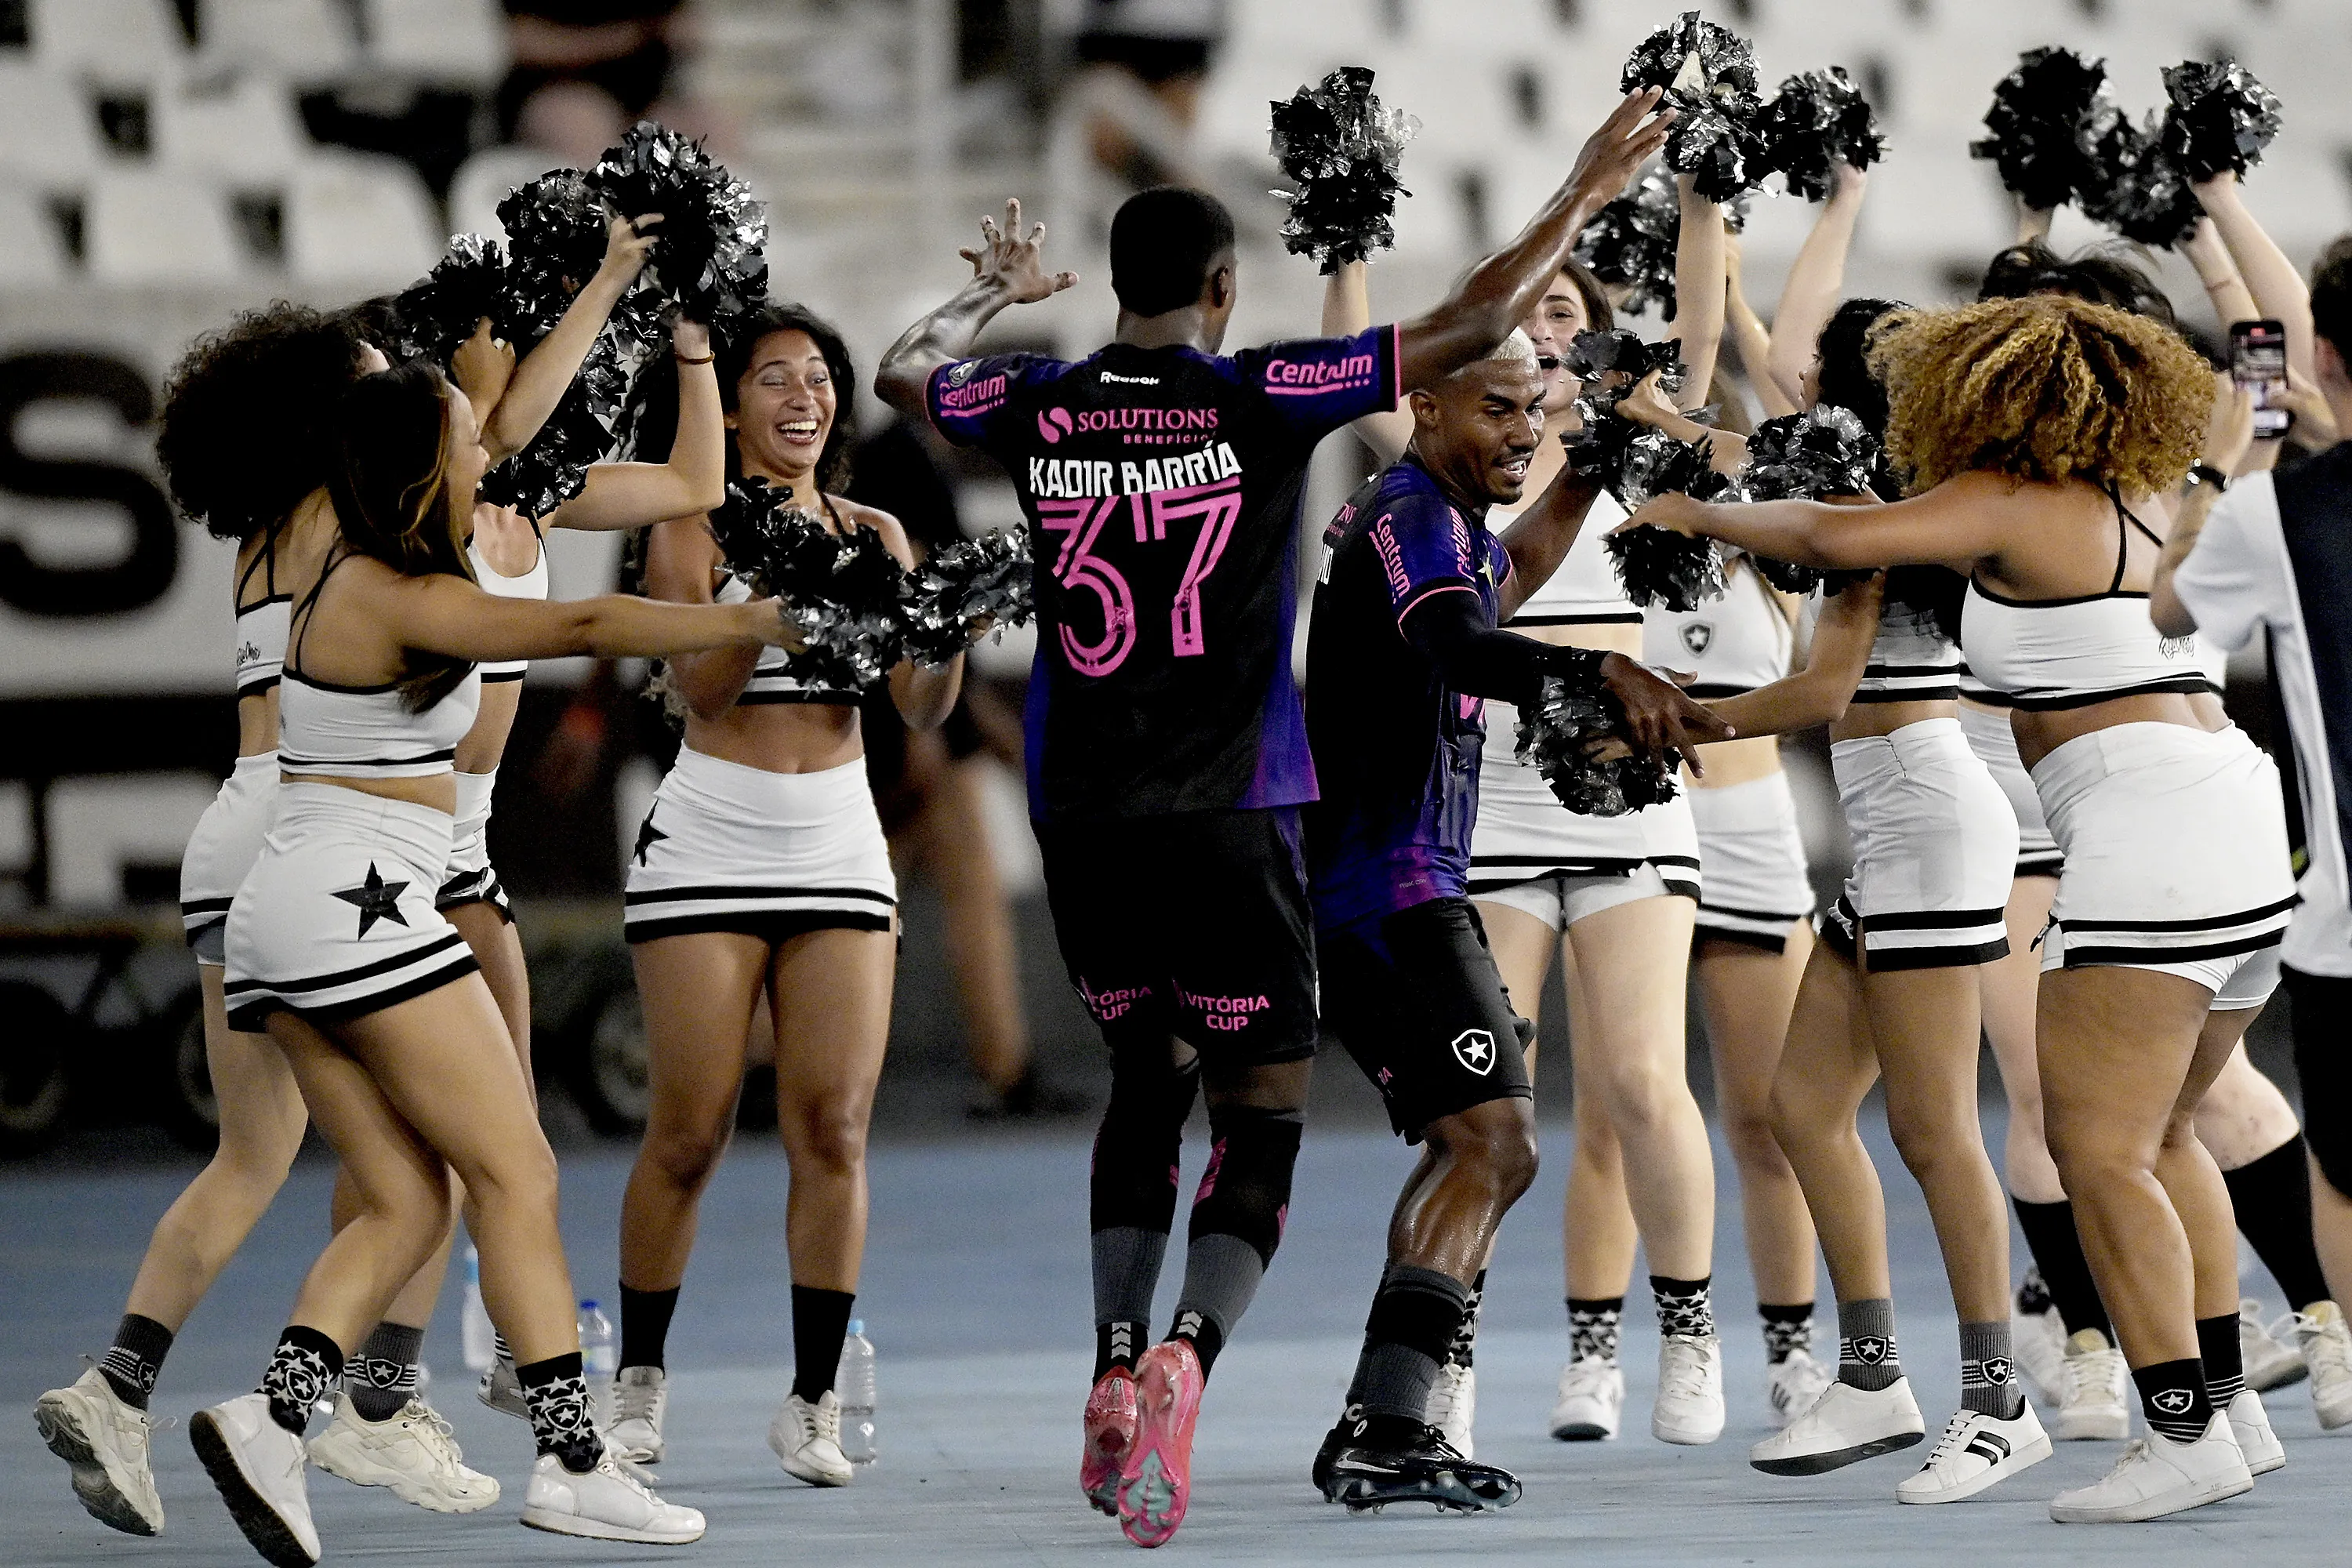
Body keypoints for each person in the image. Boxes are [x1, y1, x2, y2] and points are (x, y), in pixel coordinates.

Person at [873, 87, 1674, 1547]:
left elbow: (899, 373)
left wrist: (985, 298)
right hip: (1241, 814)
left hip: (1081, 817)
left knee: (1141, 1080)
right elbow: (1470, 317)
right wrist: (1578, 184)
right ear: (1226, 291)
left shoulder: (1040, 399)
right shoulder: (1264, 394)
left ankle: (1113, 1366)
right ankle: (1188, 1356)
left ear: (1115, 286)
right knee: (1264, 1116)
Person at [1632, 291, 2295, 1523]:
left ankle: (2177, 1430)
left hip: (2148, 823)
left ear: (1994, 396)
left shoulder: (2009, 497)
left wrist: (1685, 504)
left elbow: (1832, 540)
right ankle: (2230, 1412)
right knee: (2160, 1137)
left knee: (2095, 1150)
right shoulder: (2131, 491)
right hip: (2232, 808)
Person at [189, 357, 784, 1559]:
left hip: (307, 910)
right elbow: (574, 622)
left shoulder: (379, 568)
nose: (485, 450)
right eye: (464, 435)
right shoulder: (384, 588)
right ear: (419, 461)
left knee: (412, 1199)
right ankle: (574, 1463)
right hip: (353, 908)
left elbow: (536, 504)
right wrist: (745, 617)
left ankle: (271, 1419)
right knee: (518, 1169)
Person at [31, 308, 495, 1541]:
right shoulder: (363, 522)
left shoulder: (258, 532)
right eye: (368, 376)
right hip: (323, 844)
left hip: (231, 837)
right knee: (432, 1161)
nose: (391, 382)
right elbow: (488, 450)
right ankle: (375, 1412)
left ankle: (118, 1384)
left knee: (251, 1157)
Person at [1322, 172, 1736, 1451]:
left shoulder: (1453, 515)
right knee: (1497, 1143)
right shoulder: (1405, 520)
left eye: (1532, 405)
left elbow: (1521, 567)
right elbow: (1458, 637)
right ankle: (1393, 1417)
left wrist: (1590, 461)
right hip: (1389, 889)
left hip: (1397, 883)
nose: (1521, 425)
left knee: (1480, 1142)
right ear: (1422, 404)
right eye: (1493, 405)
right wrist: (1598, 667)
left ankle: (1386, 1416)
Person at [1971, 209, 2348, 1439]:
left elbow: (2286, 346)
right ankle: (2110, 1354)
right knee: (2067, 1105)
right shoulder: (1984, 479)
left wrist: (2219, 216)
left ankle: (2281, 1349)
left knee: (2150, 1120)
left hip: (2158, 824)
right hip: (2036, 817)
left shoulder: (2206, 467)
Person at [610, 302, 975, 1487]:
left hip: (837, 840)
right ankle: (641, 1385)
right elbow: (707, 687)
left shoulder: (878, 530)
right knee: (690, 1131)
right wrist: (771, 591)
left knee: (836, 1126)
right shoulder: (688, 522)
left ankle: (814, 1402)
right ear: (728, 405)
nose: (803, 397)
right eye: (774, 378)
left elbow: (920, 706)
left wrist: (949, 621)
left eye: (818, 377)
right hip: (713, 835)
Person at [2153, 231, 2352, 1432]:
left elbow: (2170, 605)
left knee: (2344, 1172)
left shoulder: (2281, 515)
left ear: (2326, 356)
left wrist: (2220, 471)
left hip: (2344, 926)